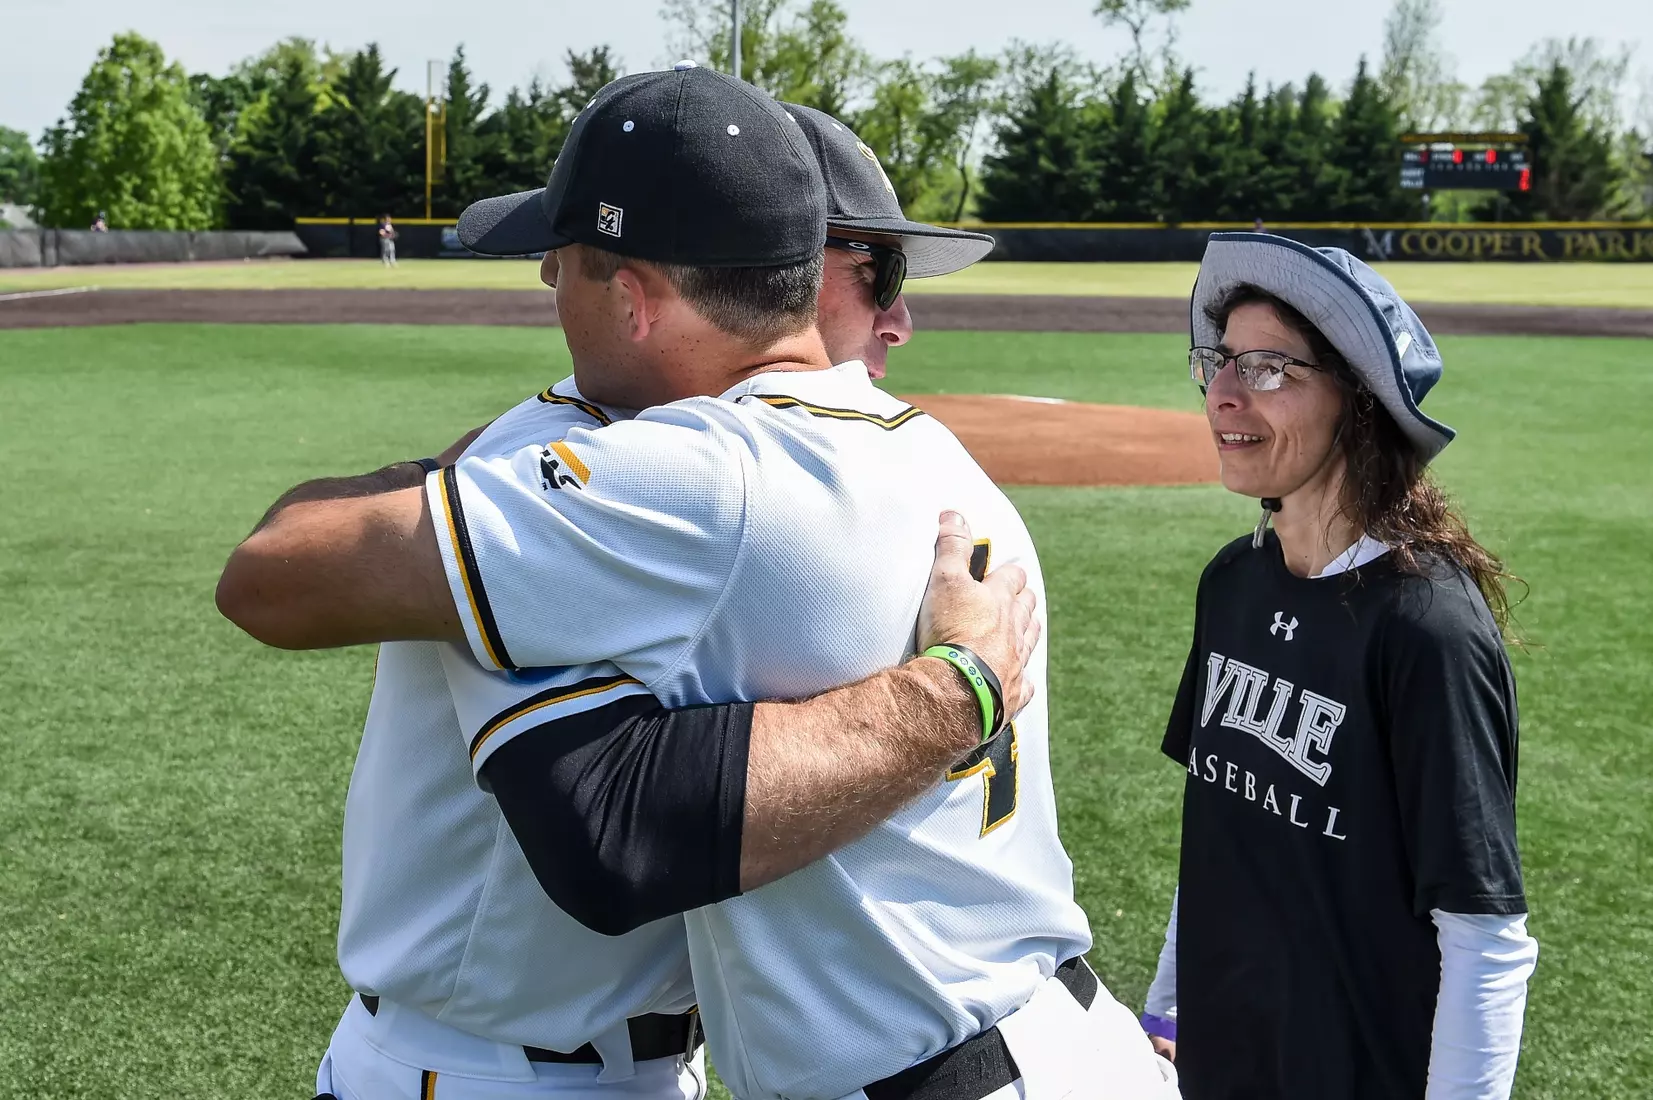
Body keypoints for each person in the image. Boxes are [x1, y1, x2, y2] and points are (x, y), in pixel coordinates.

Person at [217, 66, 1179, 1100]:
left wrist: (954, 692)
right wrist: (958, 688)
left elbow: (270, 577)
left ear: (631, 295)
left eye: (562, 264)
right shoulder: (940, 457)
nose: (547, 288)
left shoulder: (681, 481)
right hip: (1070, 1040)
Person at [1140, 232, 1537, 1099]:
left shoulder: (1424, 626)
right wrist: (1167, 1012)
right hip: (1220, 1062)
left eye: (1268, 368)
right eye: (1217, 361)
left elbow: (1483, 935)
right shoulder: (1232, 583)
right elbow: (1217, 835)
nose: (1222, 394)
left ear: (1358, 402)